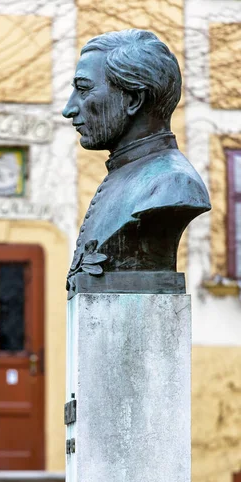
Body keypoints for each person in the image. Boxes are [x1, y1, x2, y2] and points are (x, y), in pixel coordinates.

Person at [63, 29, 211, 293]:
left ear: (133, 99)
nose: (69, 109)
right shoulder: (126, 175)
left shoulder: (172, 184)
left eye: (84, 90)